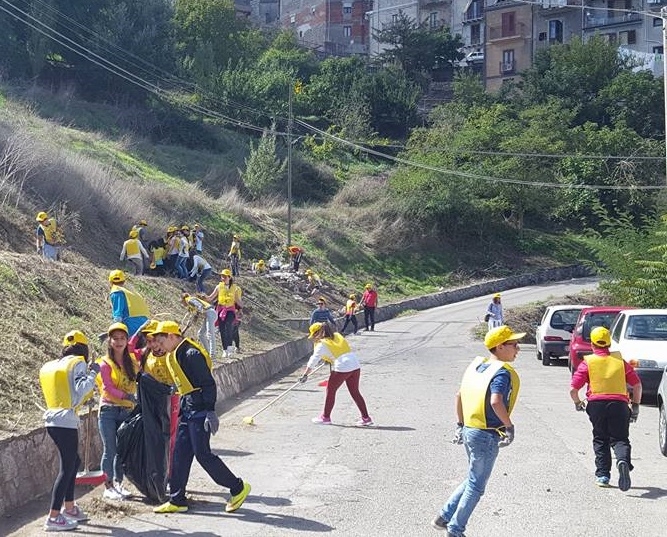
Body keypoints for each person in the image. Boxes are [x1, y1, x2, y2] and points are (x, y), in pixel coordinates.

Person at [149, 321, 251, 514]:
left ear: (172, 336)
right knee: (179, 454)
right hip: (187, 409)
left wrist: (210, 411)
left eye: (161, 341)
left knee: (203, 455)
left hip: (200, 411)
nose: (159, 346)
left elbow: (208, 384)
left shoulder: (191, 354)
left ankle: (238, 488)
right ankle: (177, 499)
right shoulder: (176, 353)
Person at [431, 325, 524, 536]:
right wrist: (509, 426)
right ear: (500, 347)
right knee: (477, 486)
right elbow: (496, 401)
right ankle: (455, 529)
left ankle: (444, 517)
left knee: (473, 477)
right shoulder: (501, 373)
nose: (518, 349)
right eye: (514, 345)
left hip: (470, 430)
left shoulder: (478, 367)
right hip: (486, 434)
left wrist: (460, 424)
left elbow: (459, 396)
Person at [40, 330, 100, 532]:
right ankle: (54, 517)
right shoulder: (78, 363)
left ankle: (70, 507)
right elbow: (82, 387)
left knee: (74, 462)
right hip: (65, 420)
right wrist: (94, 372)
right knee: (67, 467)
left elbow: (67, 392)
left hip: (51, 419)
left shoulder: (52, 365)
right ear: (84, 348)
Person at [570, 326, 642, 490]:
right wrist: (635, 407)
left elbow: (573, 390)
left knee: (600, 438)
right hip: (620, 404)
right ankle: (622, 460)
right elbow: (637, 385)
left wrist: (578, 403)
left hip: (596, 404)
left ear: (592, 344)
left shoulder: (588, 363)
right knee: (620, 438)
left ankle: (603, 475)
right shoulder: (620, 362)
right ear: (609, 343)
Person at [299, 322, 373, 426]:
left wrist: (305, 375)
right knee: (355, 392)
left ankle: (325, 417)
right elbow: (337, 351)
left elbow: (313, 360)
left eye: (314, 335)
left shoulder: (322, 344)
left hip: (342, 366)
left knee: (330, 390)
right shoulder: (337, 335)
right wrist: (329, 359)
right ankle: (366, 418)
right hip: (355, 364)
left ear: (319, 333)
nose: (314, 338)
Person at [96, 322, 139, 501]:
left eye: (122, 338)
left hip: (126, 411)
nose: (119, 342)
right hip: (108, 410)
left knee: (121, 450)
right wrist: (128, 397)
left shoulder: (132, 362)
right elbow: (108, 388)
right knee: (110, 449)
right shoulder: (104, 363)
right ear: (110, 341)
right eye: (115, 338)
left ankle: (119, 483)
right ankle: (108, 486)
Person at [204, 269, 242, 358]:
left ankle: (229, 348)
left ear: (229, 277)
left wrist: (240, 309)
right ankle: (224, 350)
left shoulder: (235, 288)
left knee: (228, 327)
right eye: (222, 276)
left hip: (230, 310)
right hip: (220, 310)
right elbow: (210, 298)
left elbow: (238, 301)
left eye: (225, 276)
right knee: (222, 330)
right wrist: (203, 297)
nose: (223, 278)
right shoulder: (218, 287)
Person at [108, 269, 150, 336]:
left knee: (130, 345)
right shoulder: (131, 292)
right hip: (145, 322)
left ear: (110, 281)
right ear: (124, 281)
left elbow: (118, 315)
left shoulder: (116, 292)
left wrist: (115, 330)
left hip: (131, 323)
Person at [182, 293, 217, 359]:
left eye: (181, 302)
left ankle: (213, 354)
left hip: (210, 313)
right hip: (208, 314)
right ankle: (208, 353)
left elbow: (199, 306)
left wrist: (200, 312)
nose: (182, 304)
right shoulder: (190, 305)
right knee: (200, 334)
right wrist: (185, 330)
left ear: (183, 299)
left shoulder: (189, 300)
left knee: (210, 333)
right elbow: (192, 318)